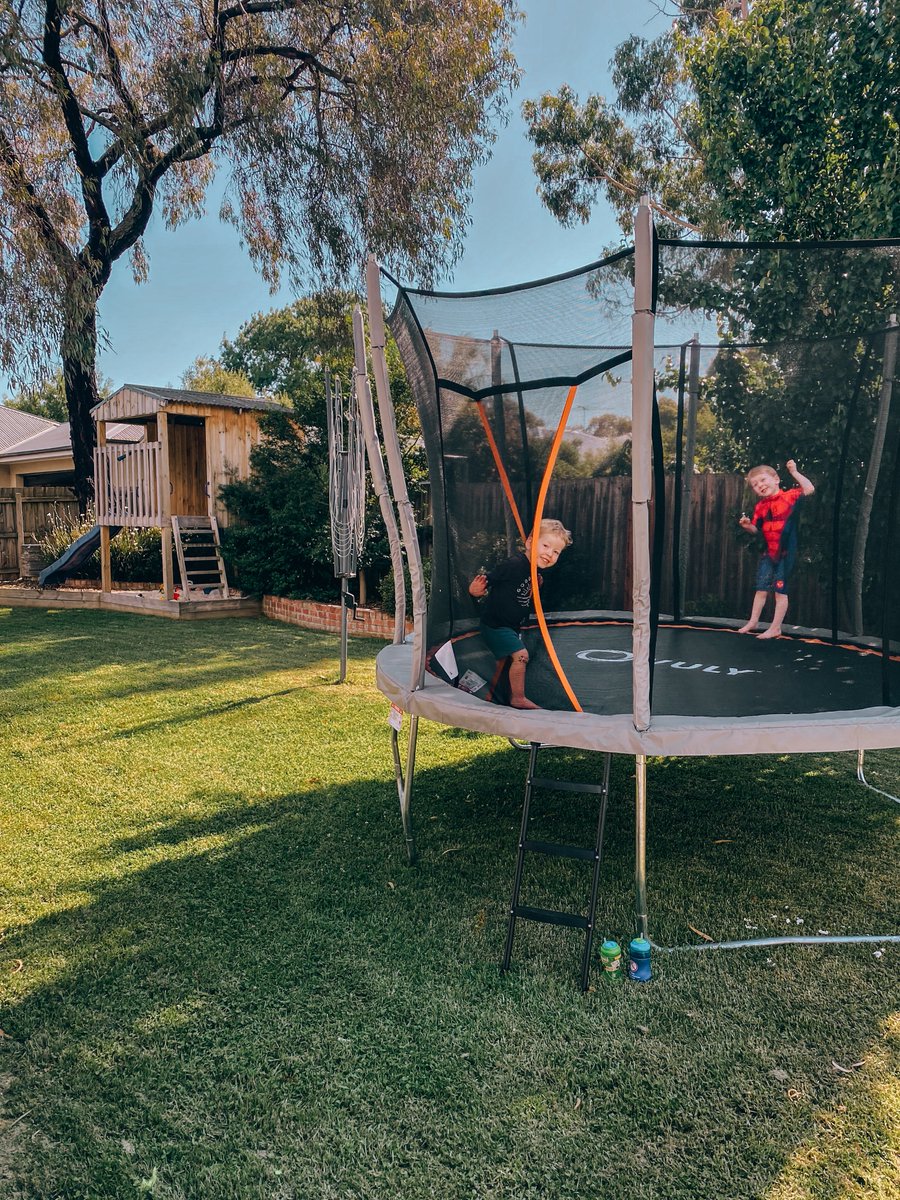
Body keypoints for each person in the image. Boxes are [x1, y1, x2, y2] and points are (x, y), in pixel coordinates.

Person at [468, 518, 573, 708]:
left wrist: (535, 585)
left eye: (556, 552)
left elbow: (518, 594)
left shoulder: (533, 571)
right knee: (521, 655)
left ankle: (501, 683)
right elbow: (489, 579)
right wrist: (475, 589)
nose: (550, 553)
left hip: (512, 625)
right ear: (530, 542)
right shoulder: (514, 565)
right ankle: (518, 698)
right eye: (546, 545)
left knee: (508, 659)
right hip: (496, 625)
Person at [737, 459, 815, 639]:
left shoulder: (789, 497)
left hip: (786, 553)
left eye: (763, 480)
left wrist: (794, 472)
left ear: (776, 479)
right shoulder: (760, 507)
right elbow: (757, 530)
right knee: (761, 589)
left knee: (780, 592)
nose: (760, 486)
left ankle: (775, 628)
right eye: (755, 485)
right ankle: (753, 621)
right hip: (769, 554)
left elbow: (809, 489)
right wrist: (748, 526)